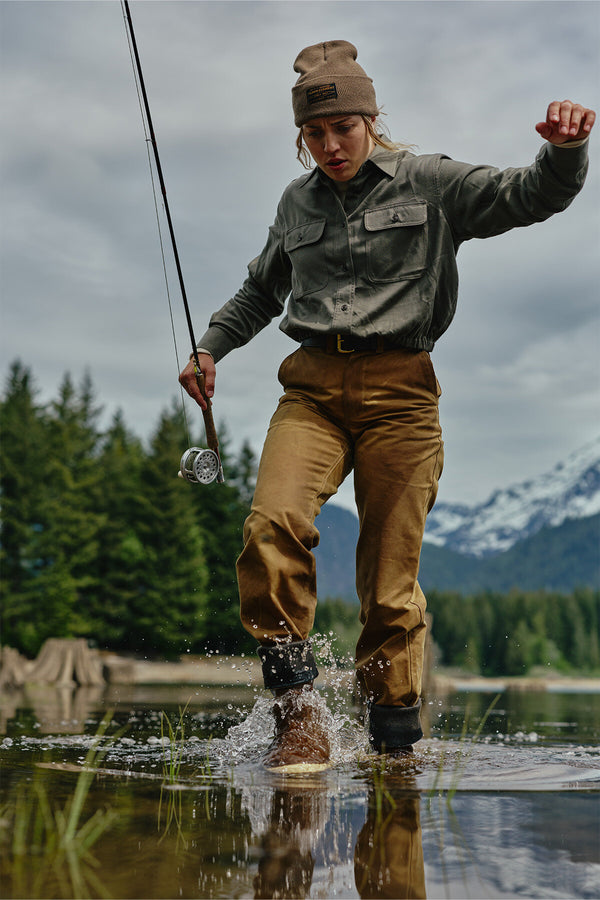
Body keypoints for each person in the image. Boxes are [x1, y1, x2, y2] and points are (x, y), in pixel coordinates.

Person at [180, 40, 594, 771]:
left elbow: (528, 197)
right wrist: (211, 347)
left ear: (371, 117)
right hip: (310, 393)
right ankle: (298, 712)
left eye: (343, 126)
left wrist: (565, 152)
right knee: (271, 526)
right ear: (301, 137)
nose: (331, 145)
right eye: (315, 133)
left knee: (389, 589)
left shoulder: (430, 182)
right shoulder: (295, 203)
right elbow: (259, 292)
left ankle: (395, 751)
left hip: (402, 400)